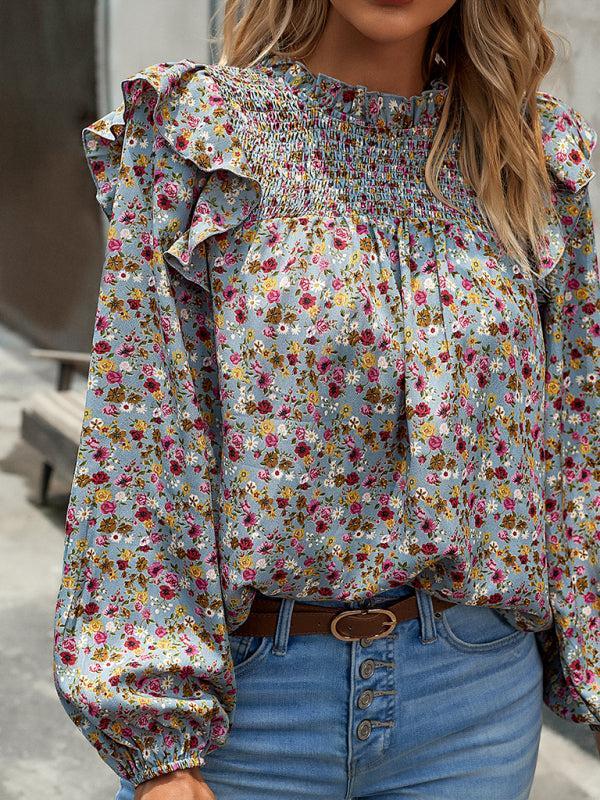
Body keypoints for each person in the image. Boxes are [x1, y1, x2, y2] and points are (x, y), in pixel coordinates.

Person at [53, 1, 600, 798]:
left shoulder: (531, 155)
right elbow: (139, 439)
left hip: (472, 704)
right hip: (250, 711)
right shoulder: (204, 137)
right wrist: (158, 740)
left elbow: (577, 432)